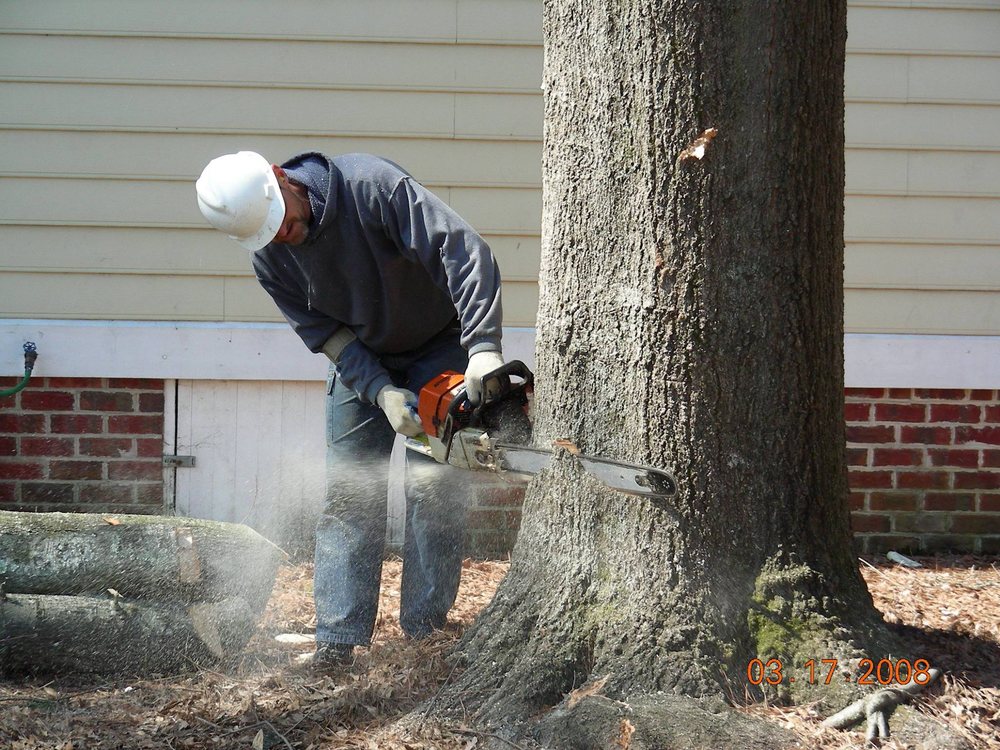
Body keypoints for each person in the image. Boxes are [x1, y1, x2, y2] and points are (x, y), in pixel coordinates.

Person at [195, 151, 504, 666]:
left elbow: (462, 249)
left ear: (281, 178)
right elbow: (326, 334)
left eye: (287, 224)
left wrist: (483, 346)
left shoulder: (371, 187)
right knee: (347, 493)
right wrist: (379, 390)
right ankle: (338, 641)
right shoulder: (268, 255)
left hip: (439, 343)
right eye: (271, 236)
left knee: (436, 491)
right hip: (361, 357)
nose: (284, 237)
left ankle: (423, 637)